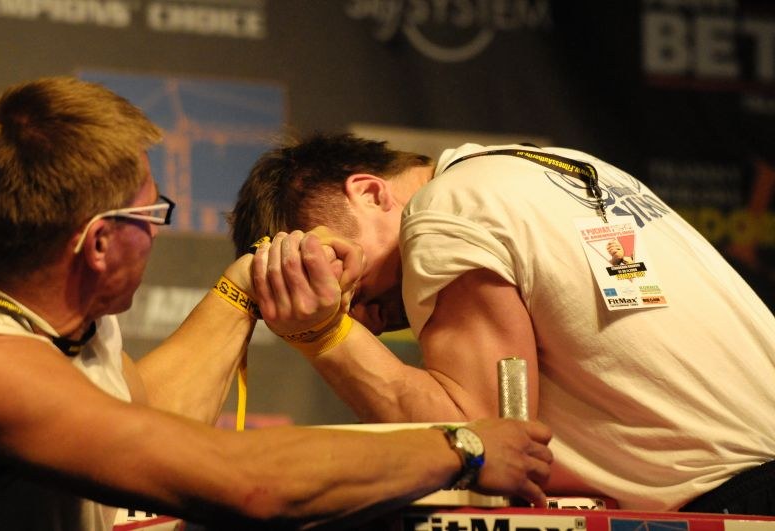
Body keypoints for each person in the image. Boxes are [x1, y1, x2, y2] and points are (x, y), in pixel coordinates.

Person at [0, 78, 554, 530]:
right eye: (151, 214)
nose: (157, 231)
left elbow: (154, 422)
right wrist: (462, 446)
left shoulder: (72, 330)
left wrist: (252, 284)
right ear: (99, 243)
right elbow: (245, 481)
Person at [231, 132, 775, 515]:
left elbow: (483, 445)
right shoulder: (548, 166)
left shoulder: (443, 212)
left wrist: (322, 333)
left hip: (741, 502)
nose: (363, 320)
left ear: (371, 192)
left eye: (351, 285)